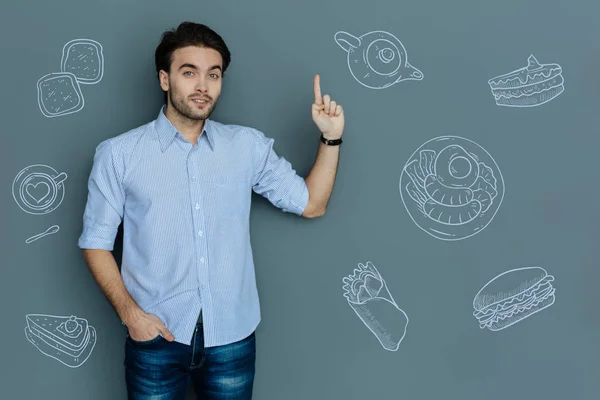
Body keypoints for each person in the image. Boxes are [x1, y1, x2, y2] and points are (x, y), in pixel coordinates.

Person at [77, 21, 344, 400]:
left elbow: (311, 204)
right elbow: (95, 242)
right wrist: (131, 316)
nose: (203, 85)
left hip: (232, 339)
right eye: (189, 72)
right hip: (155, 340)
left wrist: (330, 136)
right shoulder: (119, 155)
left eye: (213, 74)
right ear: (164, 79)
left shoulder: (246, 147)